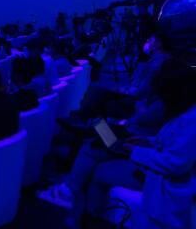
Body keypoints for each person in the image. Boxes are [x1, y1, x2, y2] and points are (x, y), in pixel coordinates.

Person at [39, 60, 196, 228]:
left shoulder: (190, 120)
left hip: (162, 179)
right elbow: (170, 143)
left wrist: (133, 151)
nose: (162, 98)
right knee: (93, 150)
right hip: (149, 159)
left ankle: (75, 200)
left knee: (96, 167)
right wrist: (145, 142)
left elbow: (175, 163)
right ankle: (79, 207)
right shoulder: (183, 111)